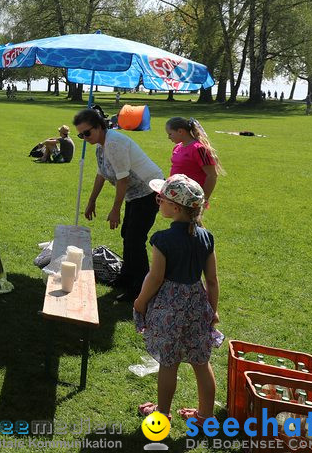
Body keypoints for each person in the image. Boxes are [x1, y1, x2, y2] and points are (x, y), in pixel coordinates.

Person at [134, 174, 219, 422]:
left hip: (169, 307)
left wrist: (140, 302)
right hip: (197, 306)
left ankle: (162, 413)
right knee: (201, 362)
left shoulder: (163, 239)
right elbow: (212, 280)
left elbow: (155, 278)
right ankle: (206, 415)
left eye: (161, 198)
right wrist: (212, 310)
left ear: (175, 207)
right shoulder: (206, 237)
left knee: (168, 363)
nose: (157, 201)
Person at [74, 107, 163, 301]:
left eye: (87, 132)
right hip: (135, 194)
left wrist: (116, 210)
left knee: (135, 239)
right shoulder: (100, 145)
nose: (85, 137)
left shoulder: (114, 143)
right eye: (81, 135)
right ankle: (127, 277)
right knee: (127, 235)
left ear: (99, 127)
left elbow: (123, 180)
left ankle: (140, 288)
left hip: (148, 192)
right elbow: (101, 174)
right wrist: (91, 202)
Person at [165, 117, 224, 208]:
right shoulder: (177, 147)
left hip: (192, 197)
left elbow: (212, 175)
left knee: (190, 221)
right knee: (182, 221)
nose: (168, 137)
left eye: (170, 134)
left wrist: (204, 199)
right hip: (178, 195)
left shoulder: (198, 148)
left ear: (180, 131)